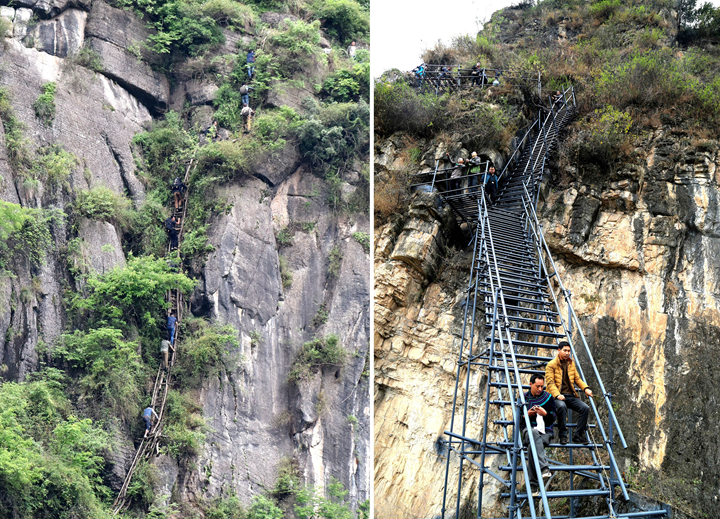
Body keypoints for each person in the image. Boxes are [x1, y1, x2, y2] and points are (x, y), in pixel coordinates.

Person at [545, 341, 593, 444]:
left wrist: (586, 389)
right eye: (565, 350)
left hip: (570, 395)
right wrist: (558, 395)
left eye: (569, 351)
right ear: (559, 350)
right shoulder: (551, 365)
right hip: (556, 396)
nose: (567, 353)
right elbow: (550, 383)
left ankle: (578, 435)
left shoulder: (571, 363)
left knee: (585, 408)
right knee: (562, 407)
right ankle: (563, 435)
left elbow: (577, 379)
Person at [521, 374, 555, 492]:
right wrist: (527, 415)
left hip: (545, 432)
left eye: (542, 386)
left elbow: (553, 417)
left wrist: (545, 414)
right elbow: (517, 420)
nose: (540, 389)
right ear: (530, 384)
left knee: (532, 446)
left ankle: (533, 485)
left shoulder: (548, 397)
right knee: (533, 433)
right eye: (537, 386)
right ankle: (544, 467)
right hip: (528, 430)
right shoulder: (523, 397)